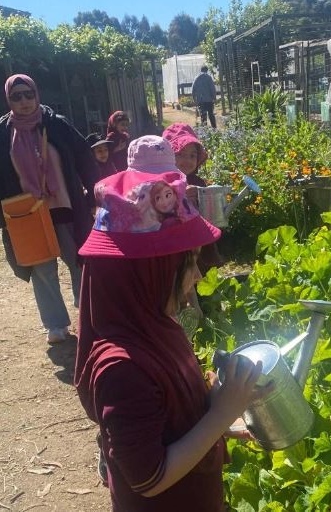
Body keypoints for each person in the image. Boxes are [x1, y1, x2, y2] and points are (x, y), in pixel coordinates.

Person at [74, 165, 267, 512]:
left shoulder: (158, 327)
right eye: (188, 263)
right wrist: (220, 415)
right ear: (146, 273)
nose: (197, 274)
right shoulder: (122, 369)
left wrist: (214, 408)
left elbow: (169, 419)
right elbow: (149, 478)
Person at [0, 74, 99, 344]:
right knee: (42, 270)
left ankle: (89, 315)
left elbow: (84, 157)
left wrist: (96, 193)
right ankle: (55, 325)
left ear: (36, 94)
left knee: (78, 259)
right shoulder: (3, 132)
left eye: (28, 94)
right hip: (28, 214)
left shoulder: (56, 124)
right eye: (16, 96)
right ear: (9, 100)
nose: (24, 101)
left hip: (64, 206)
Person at [163, 122, 224, 273]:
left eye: (192, 155)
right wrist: (180, 197)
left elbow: (208, 215)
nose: (187, 161)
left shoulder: (197, 182)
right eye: (180, 154)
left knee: (203, 274)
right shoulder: (162, 183)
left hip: (200, 243)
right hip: (176, 246)